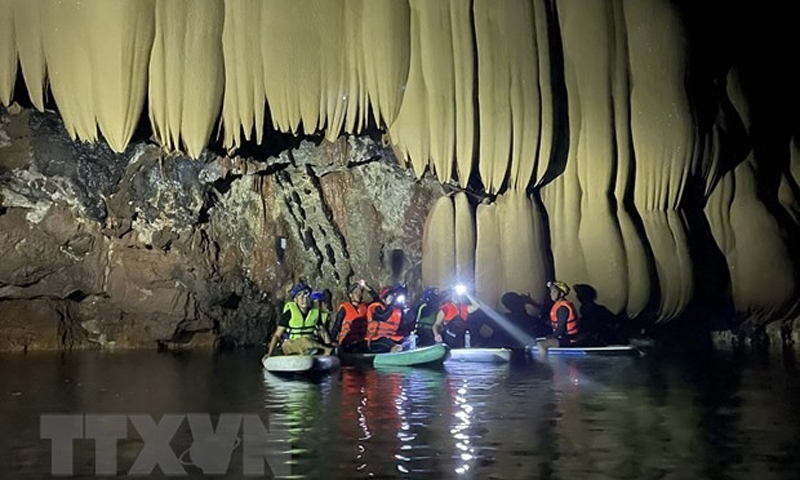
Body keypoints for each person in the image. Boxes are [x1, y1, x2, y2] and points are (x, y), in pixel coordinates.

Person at [265, 282, 333, 357]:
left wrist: (329, 345)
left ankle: (322, 350)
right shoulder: (289, 313)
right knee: (304, 341)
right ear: (295, 300)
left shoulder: (315, 313)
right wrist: (270, 353)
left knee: (307, 341)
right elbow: (277, 335)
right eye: (301, 297)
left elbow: (324, 332)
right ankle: (323, 349)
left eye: (306, 296)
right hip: (291, 345)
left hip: (310, 344)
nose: (304, 299)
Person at [538, 280, 579, 352]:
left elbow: (561, 330)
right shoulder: (558, 305)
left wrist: (550, 337)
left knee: (541, 345)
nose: (551, 294)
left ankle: (543, 363)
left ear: (561, 294)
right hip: (563, 338)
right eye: (551, 292)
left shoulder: (562, 308)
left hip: (569, 340)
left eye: (554, 291)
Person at [330, 281, 370, 353]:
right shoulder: (344, 308)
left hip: (361, 341)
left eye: (360, 292)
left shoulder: (365, 307)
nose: (359, 294)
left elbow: (378, 300)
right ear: (351, 295)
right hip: (347, 342)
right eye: (356, 292)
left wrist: (368, 288)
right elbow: (336, 326)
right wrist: (332, 341)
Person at [365, 285, 406, 353]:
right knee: (385, 342)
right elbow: (382, 317)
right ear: (384, 299)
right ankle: (394, 352)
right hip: (375, 339)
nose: (393, 298)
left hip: (389, 337)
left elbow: (404, 325)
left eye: (393, 296)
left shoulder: (396, 310)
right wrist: (391, 307)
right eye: (390, 296)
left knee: (407, 340)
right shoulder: (376, 307)